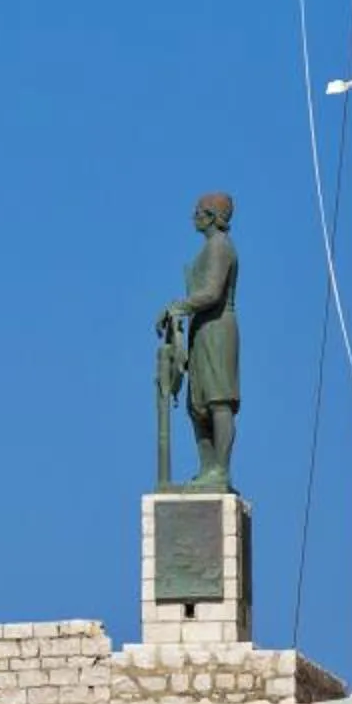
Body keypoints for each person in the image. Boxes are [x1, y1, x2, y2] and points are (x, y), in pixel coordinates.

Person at [159, 191, 240, 488]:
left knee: (219, 400)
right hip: (201, 329)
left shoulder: (220, 247)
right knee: (198, 403)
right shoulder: (208, 249)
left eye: (197, 210)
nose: (193, 216)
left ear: (209, 215)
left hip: (218, 328)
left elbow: (212, 292)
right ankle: (207, 467)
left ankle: (221, 469)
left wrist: (178, 306)